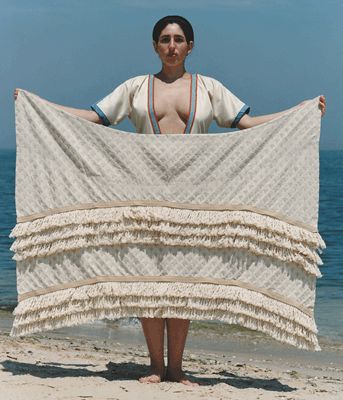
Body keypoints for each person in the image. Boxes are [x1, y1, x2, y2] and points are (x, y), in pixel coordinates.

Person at [14, 15, 326, 386]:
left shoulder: (210, 87)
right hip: (142, 192)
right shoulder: (135, 87)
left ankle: (176, 367)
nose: (172, 46)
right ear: (155, 46)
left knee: (183, 281)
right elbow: (96, 119)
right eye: (165, 39)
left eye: (179, 39)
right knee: (148, 280)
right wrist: (40, 106)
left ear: (190, 46)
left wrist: (300, 112)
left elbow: (247, 124)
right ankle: (155, 366)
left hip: (196, 195)